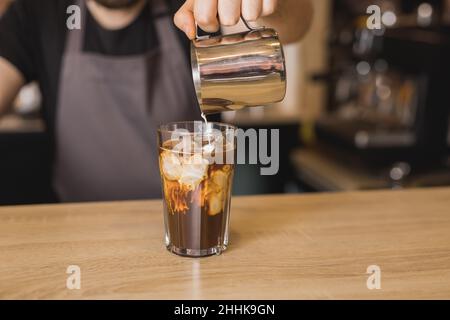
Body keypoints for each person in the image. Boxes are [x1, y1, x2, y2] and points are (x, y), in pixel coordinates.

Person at [0, 0, 313, 202]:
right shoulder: (36, 12)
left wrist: (272, 4)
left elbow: (295, 25)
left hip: (192, 223)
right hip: (75, 229)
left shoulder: (190, 7)